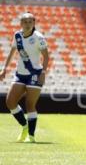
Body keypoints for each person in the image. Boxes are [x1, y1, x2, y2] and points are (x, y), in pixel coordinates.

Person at [0, 12, 49, 143]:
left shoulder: (39, 37)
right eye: (25, 22)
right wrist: (4, 69)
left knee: (30, 104)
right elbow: (11, 53)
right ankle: (25, 126)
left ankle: (31, 136)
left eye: (30, 22)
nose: (27, 24)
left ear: (34, 23)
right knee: (10, 102)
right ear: (20, 24)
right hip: (20, 74)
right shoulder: (17, 36)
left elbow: (46, 56)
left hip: (35, 74)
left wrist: (43, 73)